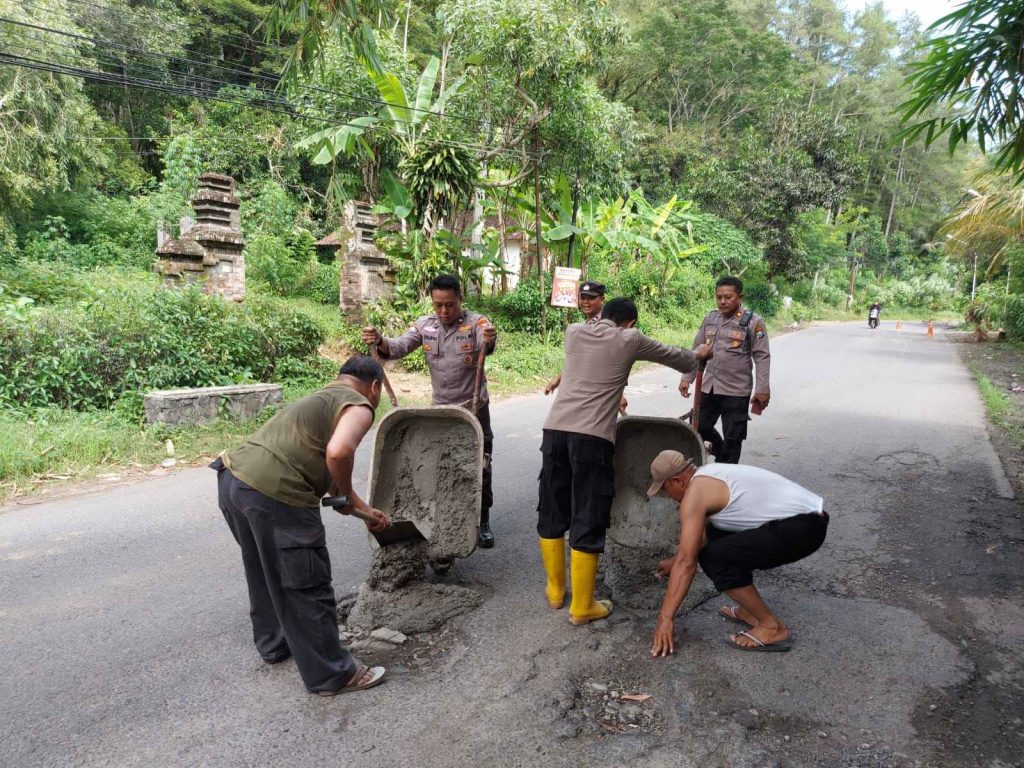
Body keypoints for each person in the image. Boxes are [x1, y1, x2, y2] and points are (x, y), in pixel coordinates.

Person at [213, 355, 390, 696]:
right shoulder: (360, 404)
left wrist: (361, 510)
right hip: (276, 492)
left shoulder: (320, 398)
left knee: (266, 570)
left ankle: (276, 645)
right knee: (307, 582)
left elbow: (323, 466)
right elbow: (338, 453)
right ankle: (334, 674)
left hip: (233, 480)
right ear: (375, 386)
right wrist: (351, 500)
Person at [537, 298, 712, 626]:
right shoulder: (630, 338)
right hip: (591, 438)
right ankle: (582, 607)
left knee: (551, 507)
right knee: (588, 513)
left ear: (603, 315)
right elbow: (673, 356)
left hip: (555, 431)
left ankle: (556, 592)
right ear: (630, 322)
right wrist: (697, 357)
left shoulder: (574, 332)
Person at [361, 274, 499, 548]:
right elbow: (398, 346)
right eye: (438, 305)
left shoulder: (476, 323)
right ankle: (445, 516)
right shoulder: (425, 326)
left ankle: (482, 521)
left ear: (460, 299)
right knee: (441, 467)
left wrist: (490, 339)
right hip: (441, 413)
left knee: (479, 466)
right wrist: (380, 340)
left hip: (473, 411)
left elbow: (487, 343)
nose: (444, 311)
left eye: (449, 304)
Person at [645, 450, 828, 655]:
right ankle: (750, 611)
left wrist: (665, 618)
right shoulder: (708, 474)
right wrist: (675, 560)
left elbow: (687, 563)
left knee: (714, 558)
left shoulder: (695, 494)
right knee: (716, 531)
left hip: (803, 529)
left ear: (677, 481)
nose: (668, 497)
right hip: (810, 519)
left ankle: (772, 627)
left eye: (664, 489)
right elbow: (699, 539)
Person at [679, 275, 770, 464]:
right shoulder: (711, 318)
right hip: (709, 387)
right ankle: (720, 455)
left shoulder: (754, 322)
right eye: (719, 297)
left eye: (728, 297)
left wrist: (762, 389)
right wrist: (687, 378)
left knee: (733, 437)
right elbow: (697, 349)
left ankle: (726, 474)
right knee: (698, 427)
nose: (722, 301)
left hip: (736, 391)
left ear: (739, 297)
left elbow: (761, 356)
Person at [544, 281, 625, 413]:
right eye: (583, 298)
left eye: (591, 298)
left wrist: (619, 394)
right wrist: (559, 378)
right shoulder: (586, 325)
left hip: (599, 391)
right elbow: (582, 359)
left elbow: (612, 361)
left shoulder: (607, 325)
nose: (586, 302)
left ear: (602, 299)